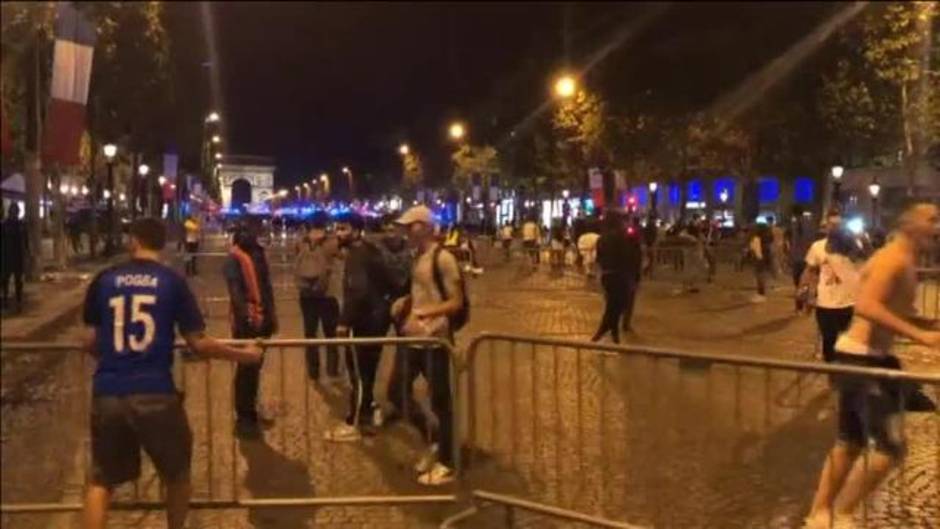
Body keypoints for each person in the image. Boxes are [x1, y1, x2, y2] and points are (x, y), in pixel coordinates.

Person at [80, 218, 261, 529]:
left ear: (133, 240)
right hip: (156, 393)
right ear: (162, 243)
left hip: (108, 392)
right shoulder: (172, 282)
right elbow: (199, 342)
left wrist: (110, 352)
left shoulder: (105, 279)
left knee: (100, 482)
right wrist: (245, 356)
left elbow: (90, 341)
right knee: (177, 476)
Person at [803, 203, 940, 529]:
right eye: (932, 219)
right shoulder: (892, 258)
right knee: (889, 447)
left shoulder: (905, 260)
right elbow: (866, 305)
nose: (937, 226)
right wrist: (920, 336)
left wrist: (928, 323)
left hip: (870, 357)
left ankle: (819, 515)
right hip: (859, 357)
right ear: (911, 225)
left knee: (850, 443)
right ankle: (844, 513)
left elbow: (889, 307)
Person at [390, 205, 462, 485]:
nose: (406, 231)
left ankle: (448, 461)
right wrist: (405, 304)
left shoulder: (444, 259)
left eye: (411, 226)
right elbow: (419, 292)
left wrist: (425, 313)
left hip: (435, 339)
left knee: (441, 401)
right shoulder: (416, 257)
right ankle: (432, 438)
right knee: (396, 392)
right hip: (412, 338)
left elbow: (455, 302)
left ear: (425, 227)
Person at [324, 213, 393, 442]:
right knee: (367, 372)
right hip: (377, 319)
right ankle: (368, 411)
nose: (338, 233)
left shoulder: (357, 254)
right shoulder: (371, 250)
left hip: (363, 321)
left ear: (355, 230)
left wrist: (345, 321)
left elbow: (358, 290)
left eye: (343, 228)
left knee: (359, 375)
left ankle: (356, 423)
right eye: (337, 228)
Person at [224, 223, 278, 438]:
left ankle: (251, 408)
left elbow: (266, 287)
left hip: (261, 318)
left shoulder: (257, 255)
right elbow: (236, 293)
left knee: (254, 368)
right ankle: (244, 416)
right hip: (247, 321)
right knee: (246, 369)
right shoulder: (233, 260)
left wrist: (271, 317)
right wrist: (246, 320)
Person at [799, 211, 863, 362]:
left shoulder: (854, 245)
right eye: (832, 225)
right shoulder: (817, 247)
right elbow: (809, 270)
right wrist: (804, 291)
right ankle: (832, 371)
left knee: (848, 342)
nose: (835, 228)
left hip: (849, 302)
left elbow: (866, 263)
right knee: (829, 341)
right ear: (825, 227)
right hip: (826, 303)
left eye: (838, 225)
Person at [294, 217, 341, 380]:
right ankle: (332, 370)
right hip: (327, 294)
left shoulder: (301, 241)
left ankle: (313, 371)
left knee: (310, 333)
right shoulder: (332, 242)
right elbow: (342, 256)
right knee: (331, 334)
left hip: (306, 295)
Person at [591, 212, 639, 344]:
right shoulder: (621, 238)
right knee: (617, 305)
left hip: (607, 275)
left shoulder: (602, 239)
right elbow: (627, 256)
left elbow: (599, 258)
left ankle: (613, 332)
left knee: (613, 305)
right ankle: (603, 329)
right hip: (619, 275)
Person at [788, 206, 819, 312]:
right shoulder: (811, 224)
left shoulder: (794, 224)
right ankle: (807, 304)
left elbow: (794, 242)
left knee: (798, 283)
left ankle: (799, 306)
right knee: (808, 281)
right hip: (809, 256)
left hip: (797, 257)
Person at [1, 202, 28, 313]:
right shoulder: (4, 225)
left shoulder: (21, 225)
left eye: (15, 211)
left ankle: (17, 300)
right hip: (7, 255)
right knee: (6, 279)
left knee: (17, 280)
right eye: (13, 211)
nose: (14, 213)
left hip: (16, 256)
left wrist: (26, 253)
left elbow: (25, 242)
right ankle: (7, 299)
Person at [749, 222, 774, 303]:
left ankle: (761, 294)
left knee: (760, 278)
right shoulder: (765, 239)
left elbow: (756, 250)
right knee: (762, 277)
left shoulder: (757, 238)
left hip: (759, 260)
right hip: (763, 259)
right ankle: (761, 294)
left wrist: (758, 259)